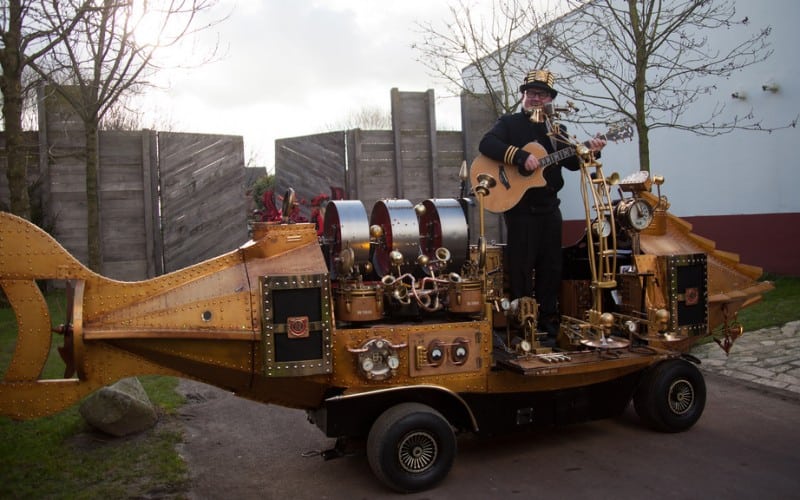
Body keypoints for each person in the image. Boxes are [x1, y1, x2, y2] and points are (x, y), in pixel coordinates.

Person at [478, 69, 606, 340]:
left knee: (551, 266)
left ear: (549, 99)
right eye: (532, 93)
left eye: (542, 94)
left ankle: (549, 321)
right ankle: (522, 324)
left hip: (549, 207)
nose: (536, 98)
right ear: (523, 96)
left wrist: (590, 150)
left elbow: (571, 163)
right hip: (521, 209)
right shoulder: (509, 123)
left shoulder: (555, 129)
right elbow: (486, 144)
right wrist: (520, 157)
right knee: (522, 267)